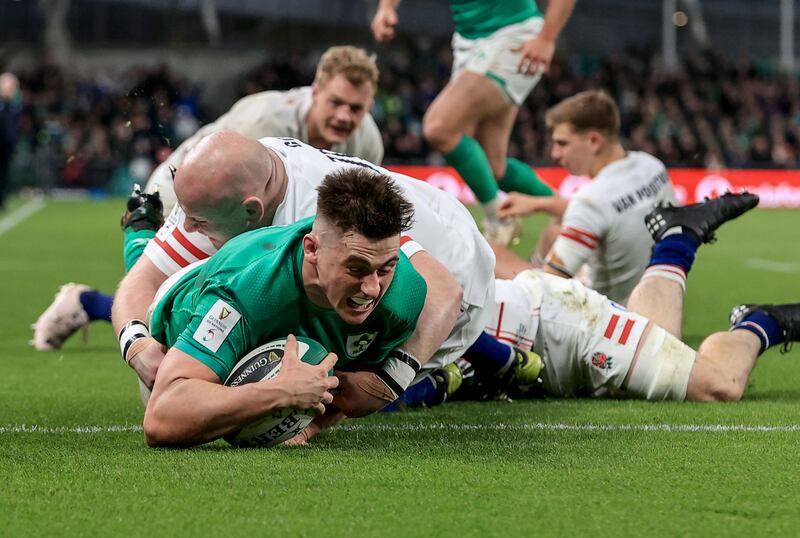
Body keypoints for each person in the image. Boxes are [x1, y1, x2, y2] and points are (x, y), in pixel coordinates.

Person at [108, 132, 538, 412]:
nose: (188, 229)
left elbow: (444, 291)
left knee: (331, 389)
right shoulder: (237, 174)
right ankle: (488, 365)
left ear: (252, 211)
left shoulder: (327, 216)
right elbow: (143, 282)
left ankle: (449, 374)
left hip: (457, 282)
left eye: (198, 222)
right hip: (395, 259)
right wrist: (137, 344)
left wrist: (392, 379)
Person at [32, 45, 383, 350]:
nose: (344, 116)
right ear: (316, 89)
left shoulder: (368, 142)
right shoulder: (263, 123)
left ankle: (88, 304)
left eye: (356, 109)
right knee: (169, 311)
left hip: (250, 211)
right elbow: (222, 191)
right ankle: (96, 309)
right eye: (336, 102)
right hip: (186, 200)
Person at [142, 167, 425, 447]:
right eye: (356, 268)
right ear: (312, 250)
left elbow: (344, 392)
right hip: (181, 309)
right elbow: (161, 417)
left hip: (259, 304)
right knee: (140, 289)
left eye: (385, 268)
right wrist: (280, 391)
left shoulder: (403, 297)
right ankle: (139, 228)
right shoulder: (242, 291)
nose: (372, 288)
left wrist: (306, 428)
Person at [484, 191, 796, 402]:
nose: (555, 153)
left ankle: (762, 323)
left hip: (561, 325)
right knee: (661, 340)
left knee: (718, 386)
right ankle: (677, 238)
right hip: (541, 338)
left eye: (563, 142)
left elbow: (456, 291)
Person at [371, 0, 575, 245]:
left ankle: (497, 218)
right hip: (469, 41)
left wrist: (547, 38)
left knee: (439, 127)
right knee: (493, 168)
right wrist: (387, 8)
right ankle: (571, 212)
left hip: (513, 35)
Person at [493, 90, 677, 304]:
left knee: (487, 250)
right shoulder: (651, 166)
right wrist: (538, 204)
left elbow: (544, 290)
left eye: (562, 144)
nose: (555, 154)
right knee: (554, 231)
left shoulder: (591, 199)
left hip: (605, 317)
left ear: (593, 141)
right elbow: (608, 210)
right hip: (652, 295)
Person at [0, 72, 21, 211]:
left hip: (7, 146)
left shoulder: (13, 106)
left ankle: (2, 201)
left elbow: (13, 127)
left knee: (4, 175)